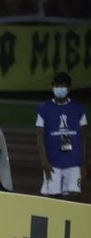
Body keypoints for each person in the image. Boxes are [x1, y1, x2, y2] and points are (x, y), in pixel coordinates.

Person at [36, 72, 88, 201]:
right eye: (57, 85)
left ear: (69, 88)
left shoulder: (78, 108)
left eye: (63, 86)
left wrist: (83, 162)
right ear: (52, 87)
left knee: (75, 195)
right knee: (52, 197)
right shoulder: (44, 108)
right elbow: (39, 137)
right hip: (52, 163)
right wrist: (44, 161)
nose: (60, 89)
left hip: (74, 163)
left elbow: (83, 137)